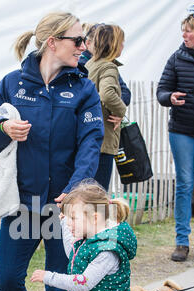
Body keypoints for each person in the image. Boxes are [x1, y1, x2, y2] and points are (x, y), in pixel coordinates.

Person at [0, 12, 104, 291]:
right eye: (78, 41)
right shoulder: (11, 85)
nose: (84, 47)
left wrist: (77, 189)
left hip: (62, 207)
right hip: (21, 204)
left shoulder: (84, 89)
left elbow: (91, 141)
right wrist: (4, 129)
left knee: (58, 288)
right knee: (7, 278)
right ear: (53, 42)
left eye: (84, 42)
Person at [157, 13, 194, 262]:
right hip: (181, 130)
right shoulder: (177, 58)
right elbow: (162, 90)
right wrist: (169, 98)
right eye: (183, 30)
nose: (184, 35)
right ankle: (181, 242)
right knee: (184, 184)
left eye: (189, 30)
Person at [84, 24, 128, 192]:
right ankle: (97, 219)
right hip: (103, 139)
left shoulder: (90, 64)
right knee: (99, 193)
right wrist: (121, 111)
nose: (123, 46)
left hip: (88, 136)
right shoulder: (108, 66)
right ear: (114, 44)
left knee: (85, 192)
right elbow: (107, 94)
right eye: (122, 42)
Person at [79, 23, 131, 106]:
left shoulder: (108, 64)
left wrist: (114, 108)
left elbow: (125, 93)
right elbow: (106, 96)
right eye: (98, 41)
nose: (102, 45)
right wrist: (118, 109)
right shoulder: (80, 66)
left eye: (104, 41)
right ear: (88, 43)